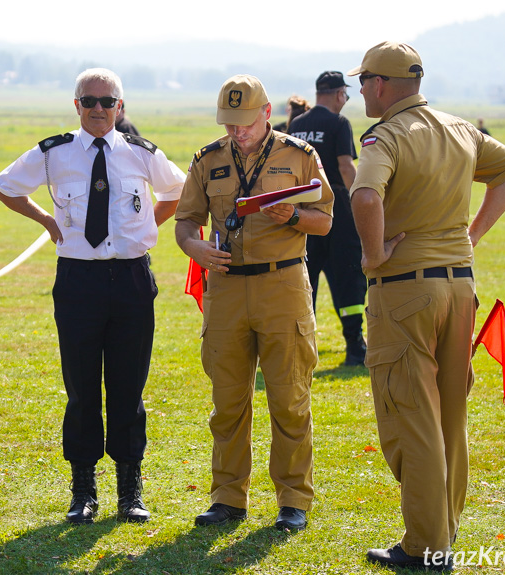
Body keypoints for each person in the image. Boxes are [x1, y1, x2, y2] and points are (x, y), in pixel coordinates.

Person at [347, 41, 505, 571]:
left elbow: (364, 196)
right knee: (450, 416)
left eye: (363, 82)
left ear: (380, 84)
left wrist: (374, 254)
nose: (360, 90)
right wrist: (470, 236)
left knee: (411, 417)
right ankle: (440, 533)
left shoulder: (386, 135)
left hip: (405, 290)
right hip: (458, 287)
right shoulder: (459, 128)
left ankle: (426, 546)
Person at [0, 68, 185, 525]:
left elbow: (179, 189)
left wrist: (145, 227)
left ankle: (129, 490)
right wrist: (46, 221)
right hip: (78, 281)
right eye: (90, 100)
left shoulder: (141, 153)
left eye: (108, 101)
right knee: (80, 389)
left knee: (128, 386)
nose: (99, 108)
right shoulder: (54, 153)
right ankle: (83, 490)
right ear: (76, 106)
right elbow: (4, 186)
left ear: (120, 106)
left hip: (132, 280)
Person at [175, 74, 334, 531]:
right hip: (225, 289)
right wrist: (195, 248)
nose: (237, 133)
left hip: (282, 286)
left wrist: (295, 215)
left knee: (289, 397)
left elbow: (325, 220)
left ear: (266, 113)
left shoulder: (299, 156)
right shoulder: (207, 159)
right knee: (228, 400)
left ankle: (293, 499)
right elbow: (186, 222)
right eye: (230, 124)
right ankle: (227, 497)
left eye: (245, 123)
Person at [288, 71, 368, 366]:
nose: (345, 101)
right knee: (348, 277)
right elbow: (346, 167)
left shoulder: (296, 124)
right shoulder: (339, 123)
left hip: (303, 212)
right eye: (346, 95)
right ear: (338, 95)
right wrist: (362, 200)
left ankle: (300, 348)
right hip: (336, 211)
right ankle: (355, 347)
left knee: (304, 282)